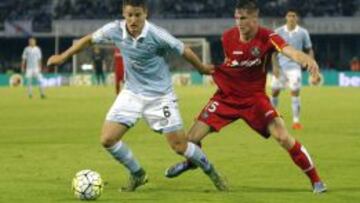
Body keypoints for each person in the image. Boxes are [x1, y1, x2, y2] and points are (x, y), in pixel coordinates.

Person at [47, 0, 227, 192]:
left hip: (160, 97)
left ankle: (212, 172)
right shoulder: (114, 29)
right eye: (130, 15)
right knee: (108, 139)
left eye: (138, 15)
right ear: (124, 14)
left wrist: (201, 68)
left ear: (145, 14)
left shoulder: (156, 34)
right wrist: (63, 57)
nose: (133, 19)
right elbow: (89, 39)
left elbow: (185, 50)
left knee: (179, 146)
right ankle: (138, 174)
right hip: (131, 93)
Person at [165, 0, 326, 194]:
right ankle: (191, 163)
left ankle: (317, 181)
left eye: (244, 18)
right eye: (237, 18)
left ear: (254, 18)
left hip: (254, 99)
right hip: (226, 97)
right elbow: (231, 63)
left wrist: (307, 60)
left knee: (283, 137)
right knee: (189, 140)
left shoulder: (268, 36)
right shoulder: (227, 38)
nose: (239, 23)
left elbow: (289, 51)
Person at [270, 9, 315, 130]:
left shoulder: (303, 32)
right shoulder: (278, 31)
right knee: (274, 91)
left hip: (294, 67)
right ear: (286, 17)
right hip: (280, 67)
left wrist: (311, 64)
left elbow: (309, 49)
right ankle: (272, 118)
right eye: (289, 15)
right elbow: (272, 52)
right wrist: (275, 66)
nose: (291, 18)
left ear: (297, 18)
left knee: (295, 92)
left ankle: (296, 121)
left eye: (293, 16)